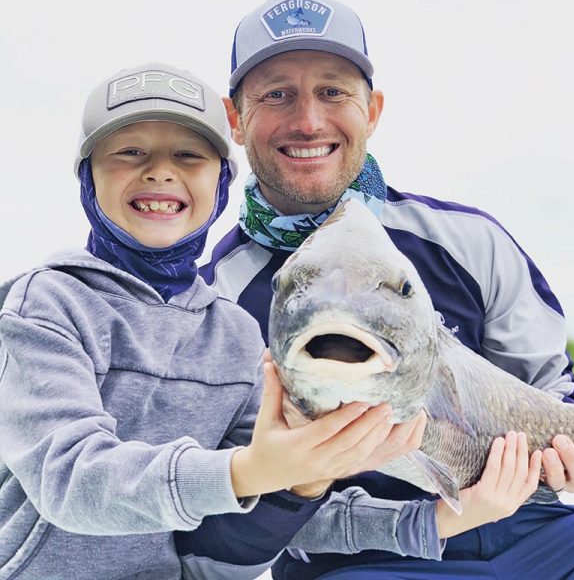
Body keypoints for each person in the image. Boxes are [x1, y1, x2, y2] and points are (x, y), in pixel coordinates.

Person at [192, 0, 574, 580]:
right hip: (355, 559)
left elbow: (557, 394)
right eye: (276, 94)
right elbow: (221, 518)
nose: (308, 120)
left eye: (333, 91)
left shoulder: (471, 241)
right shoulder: (211, 303)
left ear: (373, 110)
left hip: (534, 531)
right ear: (235, 119)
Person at [0, 62, 425, 580]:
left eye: (189, 155)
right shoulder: (43, 305)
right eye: (129, 151)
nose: (159, 171)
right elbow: (69, 480)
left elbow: (267, 500)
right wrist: (248, 470)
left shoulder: (237, 333)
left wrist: (431, 521)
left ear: (222, 179)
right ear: (88, 175)